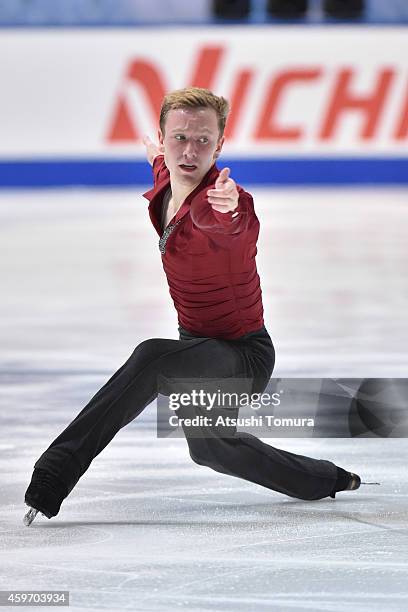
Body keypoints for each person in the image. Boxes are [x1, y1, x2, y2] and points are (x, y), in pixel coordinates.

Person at [23, 87, 361, 526]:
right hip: (197, 351)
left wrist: (230, 209)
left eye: (204, 141)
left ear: (220, 145)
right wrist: (153, 154)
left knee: (152, 357)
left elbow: (234, 225)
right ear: (163, 139)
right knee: (211, 447)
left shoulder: (220, 204)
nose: (191, 150)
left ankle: (54, 474)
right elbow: (162, 163)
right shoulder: (167, 172)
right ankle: (327, 479)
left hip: (243, 356)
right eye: (179, 138)